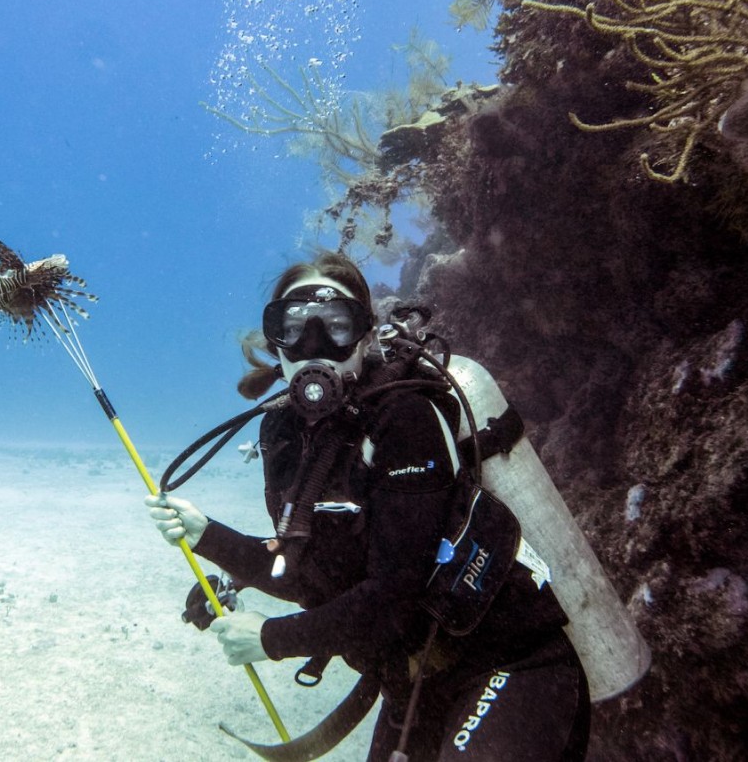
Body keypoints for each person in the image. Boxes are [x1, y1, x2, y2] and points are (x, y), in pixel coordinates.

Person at [146, 251, 590, 761]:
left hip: (507, 664)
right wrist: (208, 536)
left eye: (336, 325)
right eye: (294, 326)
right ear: (276, 341)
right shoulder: (282, 433)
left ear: (364, 336)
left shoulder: (405, 417)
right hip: (412, 684)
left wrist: (272, 638)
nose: (315, 345)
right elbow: (307, 573)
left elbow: (395, 594)